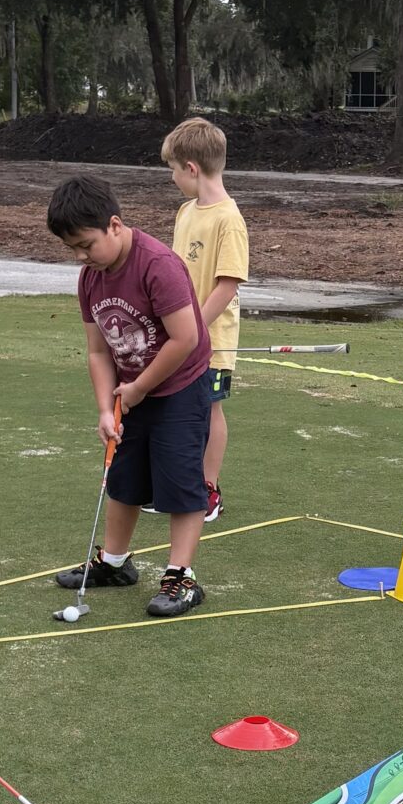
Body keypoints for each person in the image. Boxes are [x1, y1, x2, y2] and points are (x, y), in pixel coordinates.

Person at [47, 173, 212, 618]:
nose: (81, 256)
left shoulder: (157, 265)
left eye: (86, 244)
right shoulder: (91, 278)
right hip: (130, 391)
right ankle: (116, 563)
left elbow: (185, 338)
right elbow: (98, 350)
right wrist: (106, 408)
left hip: (179, 386)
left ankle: (181, 576)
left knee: (179, 482)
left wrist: (139, 387)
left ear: (115, 225)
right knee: (124, 478)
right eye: (72, 249)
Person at [163, 116, 249, 522]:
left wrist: (193, 329)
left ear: (191, 168)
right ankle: (179, 485)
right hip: (181, 338)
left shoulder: (228, 219)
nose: (173, 177)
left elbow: (226, 286)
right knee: (179, 410)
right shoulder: (185, 212)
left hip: (212, 341)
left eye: (173, 170)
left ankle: (208, 489)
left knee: (209, 410)